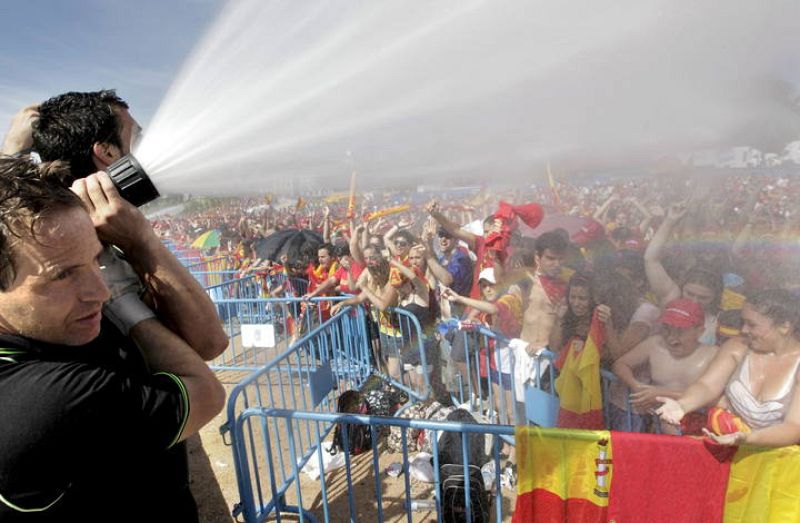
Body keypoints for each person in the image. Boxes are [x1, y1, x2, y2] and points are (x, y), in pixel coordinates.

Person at [0, 158, 226, 521]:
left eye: (96, 260)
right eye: (62, 276)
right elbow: (206, 393)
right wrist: (125, 293)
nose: (99, 291)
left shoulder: (50, 320)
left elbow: (210, 341)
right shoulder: (53, 398)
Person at [657, 289, 800, 447]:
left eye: (752, 325)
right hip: (725, 447)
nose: (744, 330)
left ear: (784, 327)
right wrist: (682, 405)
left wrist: (747, 438)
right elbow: (707, 386)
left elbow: (794, 427)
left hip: (777, 458)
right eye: (743, 322)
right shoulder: (737, 347)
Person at [613, 298, 718, 434]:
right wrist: (636, 386)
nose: (671, 338)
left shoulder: (713, 354)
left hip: (699, 426)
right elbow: (620, 364)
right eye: (667, 329)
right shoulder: (655, 344)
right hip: (658, 423)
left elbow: (716, 398)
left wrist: (661, 393)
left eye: (680, 331)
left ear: (700, 331)